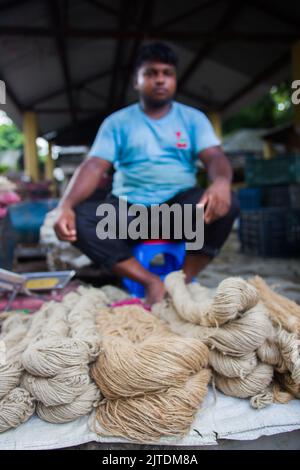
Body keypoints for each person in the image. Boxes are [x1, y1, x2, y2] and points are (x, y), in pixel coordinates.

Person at [54, 42, 239, 304]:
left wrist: (221, 182)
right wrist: (66, 205)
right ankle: (150, 282)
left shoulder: (193, 119)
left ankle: (181, 281)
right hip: (128, 217)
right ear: (137, 81)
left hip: (179, 216)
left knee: (227, 203)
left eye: (167, 73)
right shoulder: (117, 122)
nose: (160, 79)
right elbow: (94, 165)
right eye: (151, 73)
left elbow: (215, 157)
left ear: (175, 79)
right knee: (80, 219)